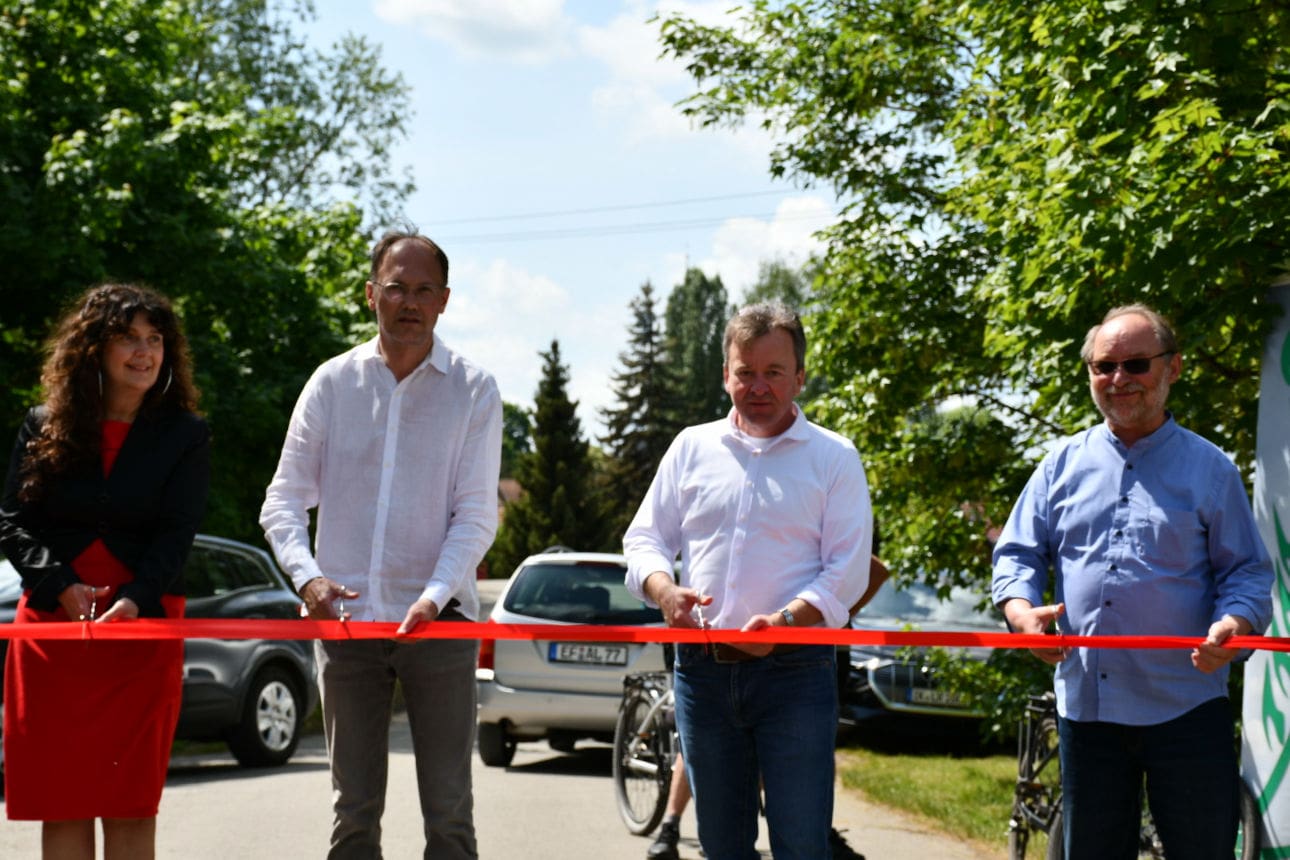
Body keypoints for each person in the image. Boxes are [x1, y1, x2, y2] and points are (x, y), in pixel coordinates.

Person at [991, 304, 1274, 860]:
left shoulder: (1211, 469)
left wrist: (1234, 625)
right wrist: (1022, 614)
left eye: (1137, 364)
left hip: (1186, 709)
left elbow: (1246, 571)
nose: (1118, 379)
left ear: (1173, 369)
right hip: (1087, 709)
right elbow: (1018, 553)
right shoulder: (1059, 465)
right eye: (1104, 366)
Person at [260, 229, 502, 860]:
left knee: (450, 816)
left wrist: (434, 594)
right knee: (353, 816)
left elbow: (476, 516)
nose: (409, 302)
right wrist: (308, 579)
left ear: (445, 300)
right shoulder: (332, 384)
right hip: (346, 627)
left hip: (441, 626)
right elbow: (282, 499)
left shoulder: (474, 390)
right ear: (372, 294)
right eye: (396, 288)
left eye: (424, 290)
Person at [624, 301, 873, 860]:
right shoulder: (692, 447)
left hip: (796, 671)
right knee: (722, 846)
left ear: (800, 376)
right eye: (745, 373)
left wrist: (786, 621)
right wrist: (665, 590)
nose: (758, 386)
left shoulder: (834, 457)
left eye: (774, 372)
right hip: (703, 672)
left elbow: (849, 571)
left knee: (802, 845)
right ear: (725, 375)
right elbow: (643, 541)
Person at [0, 283, 209, 860]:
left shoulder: (186, 434)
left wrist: (138, 599)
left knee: (130, 801)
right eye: (127, 339)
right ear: (93, 349)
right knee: (61, 799)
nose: (144, 352)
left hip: (142, 631)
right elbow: (12, 522)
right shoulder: (43, 423)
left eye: (154, 340)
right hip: (51, 633)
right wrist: (60, 586)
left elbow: (177, 532)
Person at [644, 557, 888, 860]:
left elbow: (876, 571)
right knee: (705, 757)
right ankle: (671, 823)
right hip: (708, 653)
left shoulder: (826, 529)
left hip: (805, 658)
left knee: (795, 794)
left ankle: (817, 826)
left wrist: (826, 613)